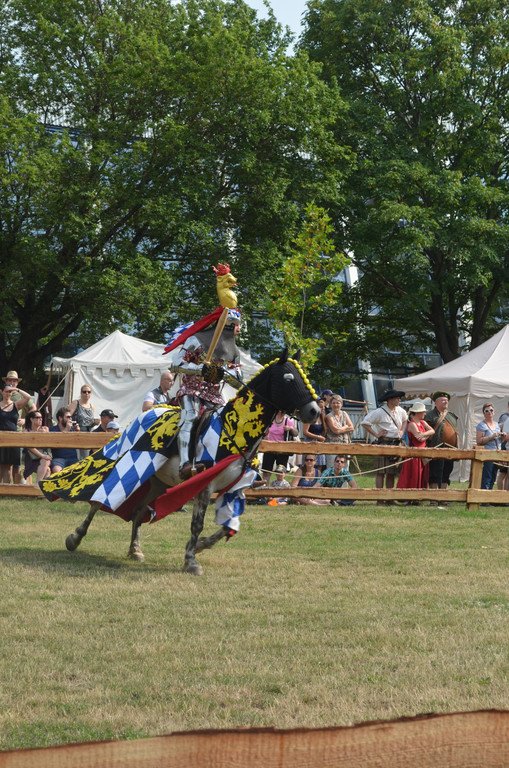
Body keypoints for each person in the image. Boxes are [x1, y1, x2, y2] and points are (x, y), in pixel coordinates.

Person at [172, 309, 243, 479]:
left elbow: (238, 381)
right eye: (235, 325)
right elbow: (175, 363)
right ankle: (184, 464)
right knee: (191, 416)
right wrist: (199, 369)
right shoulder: (196, 340)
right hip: (191, 389)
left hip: (214, 396)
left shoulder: (235, 352)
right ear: (225, 325)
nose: (238, 329)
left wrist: (224, 373)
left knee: (229, 422)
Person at [361, 388, 408, 503]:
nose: (399, 400)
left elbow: (405, 420)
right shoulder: (379, 412)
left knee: (391, 472)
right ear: (390, 400)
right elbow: (365, 423)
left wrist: (402, 431)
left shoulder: (401, 410)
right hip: (383, 443)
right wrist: (376, 434)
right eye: (397, 398)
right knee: (381, 472)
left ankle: (389, 498)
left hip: (396, 443)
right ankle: (380, 499)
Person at [396, 402, 435, 501]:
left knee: (422, 475)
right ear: (418, 413)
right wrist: (426, 435)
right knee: (413, 475)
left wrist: (424, 434)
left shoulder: (422, 422)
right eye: (423, 412)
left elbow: (432, 431)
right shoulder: (412, 424)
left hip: (422, 453)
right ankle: (409, 497)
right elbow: (419, 439)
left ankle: (419, 497)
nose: (425, 414)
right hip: (414, 455)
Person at [426, 391, 459, 504]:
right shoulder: (429, 415)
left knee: (446, 472)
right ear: (436, 402)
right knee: (435, 473)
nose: (445, 402)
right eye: (443, 400)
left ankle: (443, 497)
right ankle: (434, 498)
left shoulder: (452, 416)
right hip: (435, 448)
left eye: (446, 400)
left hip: (450, 450)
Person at [2, 370, 36, 483]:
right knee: (4, 465)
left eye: (14, 381)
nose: (12, 383)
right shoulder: (2, 393)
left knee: (16, 465)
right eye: (9, 380)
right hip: (2, 434)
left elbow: (33, 408)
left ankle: (16, 487)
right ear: (6, 381)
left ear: (17, 383)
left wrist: (25, 420)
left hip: (16, 432)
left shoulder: (19, 396)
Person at [261, 410, 298, 479]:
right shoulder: (271, 419)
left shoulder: (288, 420)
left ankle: (279, 485)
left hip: (282, 449)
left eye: (284, 412)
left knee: (280, 473)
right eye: (281, 411)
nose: (282, 413)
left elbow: (296, 433)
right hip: (269, 448)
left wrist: (290, 428)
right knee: (266, 472)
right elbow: (265, 432)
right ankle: (265, 485)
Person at [476, 403, 506, 491]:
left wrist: (502, 436)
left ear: (494, 412)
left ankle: (489, 495)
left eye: (491, 410)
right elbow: (479, 441)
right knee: (487, 476)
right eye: (487, 411)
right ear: (484, 413)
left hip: (497, 454)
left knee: (493, 476)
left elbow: (499, 441)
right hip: (487, 454)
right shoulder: (481, 425)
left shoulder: (497, 425)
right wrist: (491, 437)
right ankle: (484, 495)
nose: (489, 412)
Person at [324, 394, 354, 469]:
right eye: (333, 403)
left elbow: (351, 427)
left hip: (345, 444)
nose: (336, 405)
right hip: (332, 446)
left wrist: (341, 429)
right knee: (332, 467)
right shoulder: (329, 416)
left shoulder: (344, 414)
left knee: (345, 467)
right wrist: (346, 426)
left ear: (341, 404)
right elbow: (336, 431)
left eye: (338, 403)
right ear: (330, 404)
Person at [23, 411, 51, 483]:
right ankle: (41, 488)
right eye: (38, 417)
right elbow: (30, 447)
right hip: (32, 457)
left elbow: (48, 444)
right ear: (31, 419)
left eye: (41, 417)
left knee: (45, 460)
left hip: (45, 455)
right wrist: (42, 455)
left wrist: (44, 435)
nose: (40, 419)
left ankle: (37, 484)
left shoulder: (45, 429)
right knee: (47, 470)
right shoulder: (26, 431)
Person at [50, 407, 79, 474]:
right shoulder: (52, 430)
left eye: (71, 417)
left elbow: (80, 443)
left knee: (79, 471)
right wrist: (66, 430)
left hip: (73, 459)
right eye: (68, 417)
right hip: (58, 459)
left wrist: (78, 432)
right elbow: (55, 443)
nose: (70, 419)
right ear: (60, 418)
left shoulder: (73, 430)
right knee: (57, 470)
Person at [302, 397, 327, 471]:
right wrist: (318, 437)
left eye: (323, 407)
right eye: (321, 407)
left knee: (319, 464)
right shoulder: (309, 416)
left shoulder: (322, 417)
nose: (323, 409)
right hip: (310, 442)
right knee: (309, 463)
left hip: (319, 443)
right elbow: (305, 432)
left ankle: (317, 477)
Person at [496, 401, 509, 490]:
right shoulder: (505, 417)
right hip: (505, 448)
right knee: (503, 473)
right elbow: (505, 435)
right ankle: (501, 495)